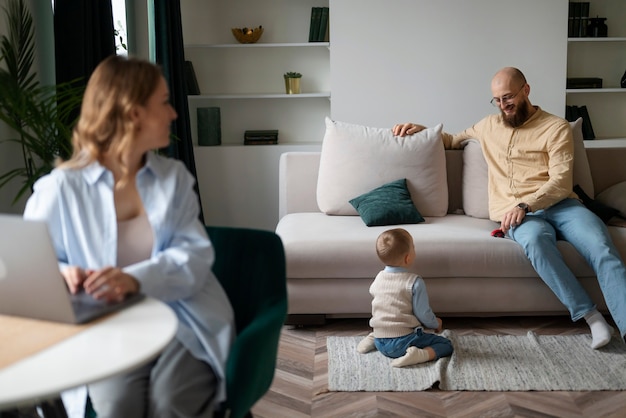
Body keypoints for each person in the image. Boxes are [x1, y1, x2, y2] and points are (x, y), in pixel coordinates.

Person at [23, 55, 235, 417]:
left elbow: (194, 255)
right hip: (105, 326)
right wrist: (61, 272)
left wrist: (132, 280)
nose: (173, 114)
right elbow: (30, 264)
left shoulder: (173, 178)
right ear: (133, 112)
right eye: (164, 102)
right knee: (116, 406)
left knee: (171, 403)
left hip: (180, 315)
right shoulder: (60, 189)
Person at [393, 66, 626, 349]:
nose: (504, 106)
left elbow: (561, 181)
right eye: (498, 100)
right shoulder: (488, 125)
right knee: (537, 243)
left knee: (602, 248)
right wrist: (421, 130)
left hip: (560, 205)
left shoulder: (556, 127)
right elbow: (452, 140)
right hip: (519, 217)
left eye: (508, 98)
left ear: (525, 90)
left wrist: (525, 204)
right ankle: (591, 317)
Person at [357, 228, 454, 367]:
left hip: (380, 339)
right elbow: (423, 313)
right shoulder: (414, 282)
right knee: (445, 344)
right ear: (408, 258)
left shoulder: (379, 278)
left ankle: (373, 338)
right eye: (413, 247)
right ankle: (419, 355)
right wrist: (435, 323)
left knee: (384, 322)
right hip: (402, 343)